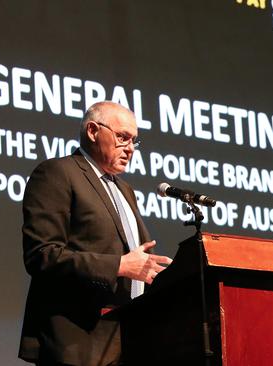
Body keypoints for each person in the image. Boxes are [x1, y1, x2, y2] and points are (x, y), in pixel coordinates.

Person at [18, 101, 172, 366]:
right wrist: (118, 265)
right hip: (79, 341)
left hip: (129, 337)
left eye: (135, 140)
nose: (131, 148)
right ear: (92, 131)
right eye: (123, 137)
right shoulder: (58, 173)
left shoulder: (125, 191)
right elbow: (42, 255)